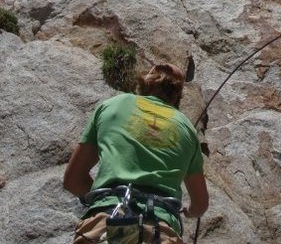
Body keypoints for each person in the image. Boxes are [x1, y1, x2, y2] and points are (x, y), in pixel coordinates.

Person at [64, 63, 208, 244]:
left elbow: (73, 180)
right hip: (159, 229)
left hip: (108, 219)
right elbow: (201, 204)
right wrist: (190, 211)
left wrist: (103, 199)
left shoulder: (112, 106)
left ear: (145, 81)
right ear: (177, 95)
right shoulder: (186, 128)